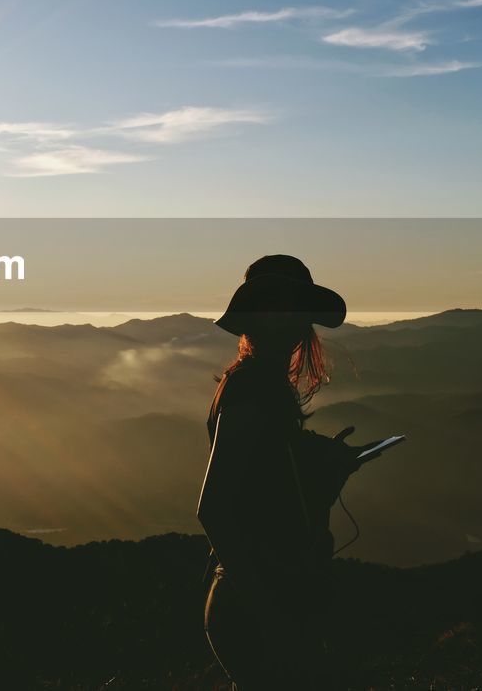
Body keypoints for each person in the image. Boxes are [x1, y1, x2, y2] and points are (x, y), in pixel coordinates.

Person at [198, 255, 377, 689]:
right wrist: (269, 611)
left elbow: (264, 497)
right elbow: (214, 509)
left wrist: (325, 472)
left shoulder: (256, 383)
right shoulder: (253, 388)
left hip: (262, 592)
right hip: (261, 597)